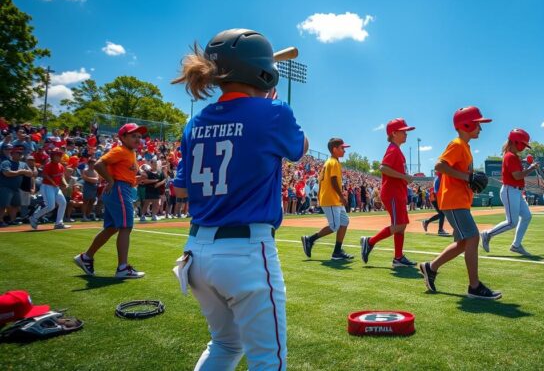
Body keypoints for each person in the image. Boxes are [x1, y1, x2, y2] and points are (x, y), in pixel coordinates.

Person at [171, 29, 307, 370]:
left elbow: (181, 189)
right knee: (267, 360)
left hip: (196, 253)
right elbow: (300, 150)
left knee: (225, 345)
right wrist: (269, 105)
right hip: (245, 252)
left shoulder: (194, 121)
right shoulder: (274, 112)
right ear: (263, 71)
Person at [418, 106, 501, 299]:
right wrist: (467, 177)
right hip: (453, 200)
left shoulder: (465, 147)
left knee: (464, 242)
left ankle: (430, 268)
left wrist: (468, 179)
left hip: (459, 200)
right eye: (478, 124)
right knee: (473, 237)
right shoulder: (456, 144)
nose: (480, 128)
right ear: (466, 124)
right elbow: (439, 166)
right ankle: (474, 286)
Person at [73, 123, 146, 279]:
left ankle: (86, 257)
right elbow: (99, 164)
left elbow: (125, 176)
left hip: (120, 189)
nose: (138, 139)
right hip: (119, 190)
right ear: (123, 137)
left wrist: (136, 179)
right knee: (126, 227)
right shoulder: (120, 150)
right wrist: (110, 181)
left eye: (140, 136)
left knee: (112, 228)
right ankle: (123, 268)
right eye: (134, 135)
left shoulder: (130, 153)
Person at [361, 118, 417, 267]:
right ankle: (370, 242)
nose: (406, 134)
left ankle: (398, 258)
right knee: (399, 225)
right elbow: (383, 168)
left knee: (402, 225)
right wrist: (404, 177)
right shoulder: (392, 149)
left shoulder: (397, 149)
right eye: (403, 131)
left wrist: (405, 179)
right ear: (394, 133)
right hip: (392, 193)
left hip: (398, 192)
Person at [480, 128, 538, 256]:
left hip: (515, 191)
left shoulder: (513, 156)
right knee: (512, 222)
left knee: (527, 216)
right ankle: (487, 234)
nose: (524, 147)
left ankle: (516, 245)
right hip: (510, 190)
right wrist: (531, 168)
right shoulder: (510, 156)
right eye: (523, 144)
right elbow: (517, 176)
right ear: (516, 142)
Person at [301, 138, 354, 260]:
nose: (344, 151)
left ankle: (337, 251)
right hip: (331, 199)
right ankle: (309, 240)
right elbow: (333, 181)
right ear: (334, 149)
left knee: (344, 221)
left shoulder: (332, 161)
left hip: (333, 199)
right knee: (334, 226)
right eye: (342, 148)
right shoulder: (333, 162)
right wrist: (341, 196)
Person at [29, 148, 69, 230]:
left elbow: (62, 176)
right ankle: (34, 217)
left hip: (55, 187)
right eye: (56, 156)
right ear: (52, 156)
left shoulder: (60, 166)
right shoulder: (48, 165)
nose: (58, 157)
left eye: (59, 156)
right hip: (47, 186)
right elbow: (45, 175)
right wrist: (53, 182)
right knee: (51, 206)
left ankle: (59, 223)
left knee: (63, 203)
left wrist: (65, 183)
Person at [0, 146, 33, 226]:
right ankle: (0, 221)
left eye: (21, 153)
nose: (20, 154)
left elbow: (31, 173)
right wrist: (21, 172)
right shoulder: (6, 162)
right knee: (3, 205)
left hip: (16, 188)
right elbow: (6, 173)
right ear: (12, 154)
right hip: (5, 187)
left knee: (15, 205)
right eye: (18, 153)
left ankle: (12, 220)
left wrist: (23, 171)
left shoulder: (23, 164)